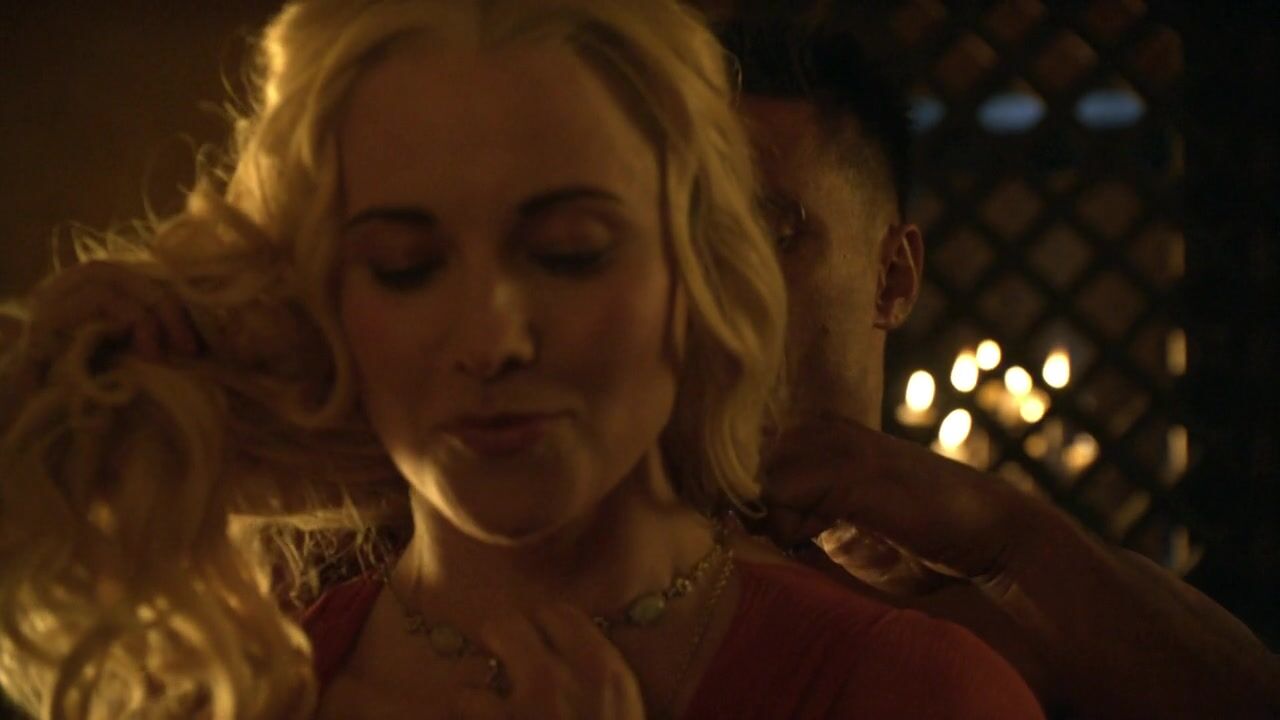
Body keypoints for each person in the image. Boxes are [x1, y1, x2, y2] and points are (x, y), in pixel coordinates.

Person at [0, 1, 1047, 718]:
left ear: (694, 271)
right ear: (326, 298)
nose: (492, 340)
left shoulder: (906, 691)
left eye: (569, 254)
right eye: (405, 267)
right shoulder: (254, 688)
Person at [710, 7, 1280, 719]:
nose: (716, 282)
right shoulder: (625, 562)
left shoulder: (1000, 599)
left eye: (772, 234)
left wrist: (1006, 537)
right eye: (691, 236)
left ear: (892, 278)